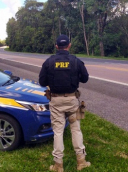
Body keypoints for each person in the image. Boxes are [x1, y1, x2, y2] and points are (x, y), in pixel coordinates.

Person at [39, 34, 90, 171]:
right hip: (73, 100)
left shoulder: (49, 62)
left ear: (56, 46)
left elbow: (42, 82)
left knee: (58, 132)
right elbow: (85, 78)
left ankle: (58, 165)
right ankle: (81, 161)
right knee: (76, 129)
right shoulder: (76, 61)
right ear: (69, 45)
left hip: (55, 101)